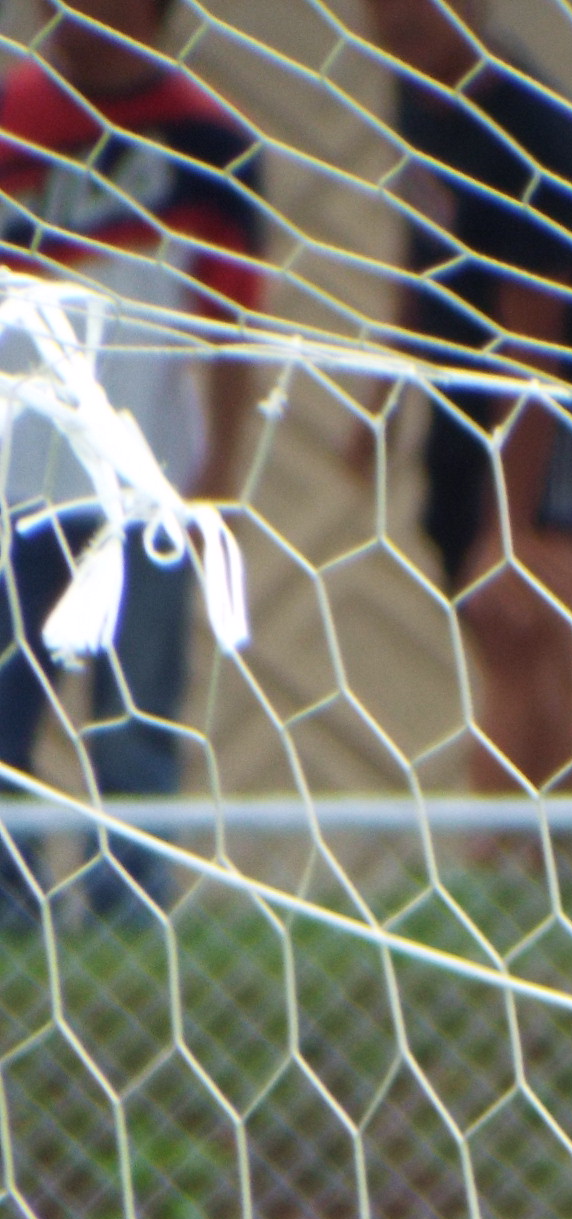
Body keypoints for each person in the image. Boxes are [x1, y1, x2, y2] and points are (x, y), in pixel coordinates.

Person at [353, 0, 572, 794]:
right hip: (465, 412)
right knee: (538, 667)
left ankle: (492, 850)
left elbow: (533, 346)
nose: (395, 19)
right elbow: (420, 255)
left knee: (520, 624)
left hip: (563, 413)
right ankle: (571, 851)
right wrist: (381, 401)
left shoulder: (533, 135)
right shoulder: (418, 100)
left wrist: (511, 525)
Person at [0, 0, 263, 918]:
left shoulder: (211, 142)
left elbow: (233, 325)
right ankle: (11, 919)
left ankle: (128, 918)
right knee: (4, 709)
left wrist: (218, 480)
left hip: (147, 484)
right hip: (12, 483)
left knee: (137, 719)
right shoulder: (12, 123)